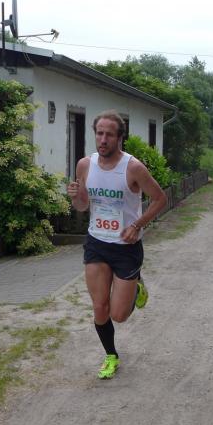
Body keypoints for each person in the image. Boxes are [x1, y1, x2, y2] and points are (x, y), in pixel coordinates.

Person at [67, 110, 168, 379]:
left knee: (119, 314)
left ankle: (136, 285)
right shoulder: (85, 165)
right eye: (99, 133)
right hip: (97, 243)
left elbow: (160, 199)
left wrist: (137, 225)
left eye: (109, 135)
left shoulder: (133, 168)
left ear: (120, 137)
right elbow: (82, 206)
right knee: (100, 307)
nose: (103, 140)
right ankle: (111, 355)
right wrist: (75, 197)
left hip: (126, 247)